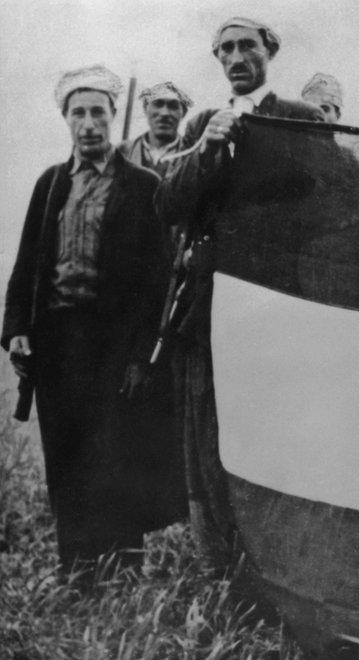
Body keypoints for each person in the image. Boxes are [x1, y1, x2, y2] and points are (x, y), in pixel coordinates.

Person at [155, 16, 326, 568]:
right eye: (225, 48)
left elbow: (329, 199)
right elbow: (170, 205)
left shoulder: (301, 118)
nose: (235, 56)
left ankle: (278, 557)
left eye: (246, 45)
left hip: (273, 299)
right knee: (208, 425)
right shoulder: (202, 121)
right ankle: (221, 559)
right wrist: (206, 149)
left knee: (270, 423)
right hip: (207, 302)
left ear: (268, 52)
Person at [2, 64, 185, 574]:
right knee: (66, 455)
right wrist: (16, 330)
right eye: (78, 113)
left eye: (98, 113)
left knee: (115, 456)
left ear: (112, 119)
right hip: (57, 345)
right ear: (66, 119)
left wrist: (139, 358)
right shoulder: (50, 183)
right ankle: (76, 570)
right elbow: (26, 266)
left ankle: (123, 570)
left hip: (113, 347)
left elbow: (158, 283)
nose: (89, 123)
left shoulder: (143, 184)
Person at [119, 82, 194, 176]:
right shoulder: (122, 151)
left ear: (183, 113)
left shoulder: (193, 156)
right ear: (145, 109)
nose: (164, 113)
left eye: (173, 106)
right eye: (158, 104)